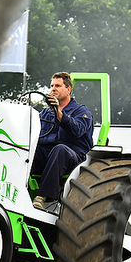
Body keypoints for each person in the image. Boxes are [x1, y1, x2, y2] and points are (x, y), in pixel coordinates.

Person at [31, 72, 94, 210]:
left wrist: (60, 115)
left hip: (72, 156)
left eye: (58, 86)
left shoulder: (82, 111)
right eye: (52, 86)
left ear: (68, 89)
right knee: (29, 148)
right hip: (48, 155)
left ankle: (43, 197)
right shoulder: (45, 113)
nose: (53, 88)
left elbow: (77, 130)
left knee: (60, 149)